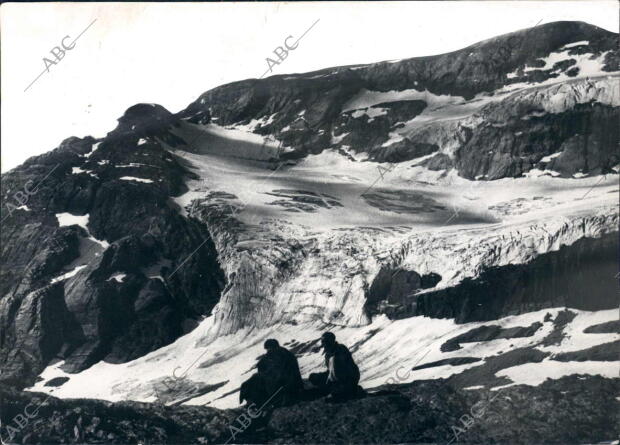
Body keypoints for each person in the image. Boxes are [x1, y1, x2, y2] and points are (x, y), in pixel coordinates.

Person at [239, 339, 303, 407]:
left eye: (268, 349)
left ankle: (254, 401)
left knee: (256, 379)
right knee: (256, 378)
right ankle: (251, 401)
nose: (268, 351)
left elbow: (280, 372)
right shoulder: (280, 353)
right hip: (285, 382)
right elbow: (266, 364)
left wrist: (265, 374)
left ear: (273, 347)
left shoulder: (283, 355)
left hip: (287, 385)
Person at [309, 332, 361, 401]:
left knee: (333, 396)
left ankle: (349, 391)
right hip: (335, 382)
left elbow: (347, 371)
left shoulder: (341, 350)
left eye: (326, 342)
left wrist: (345, 385)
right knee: (314, 379)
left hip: (346, 382)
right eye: (323, 342)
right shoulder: (328, 354)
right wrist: (319, 376)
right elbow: (331, 372)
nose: (324, 345)